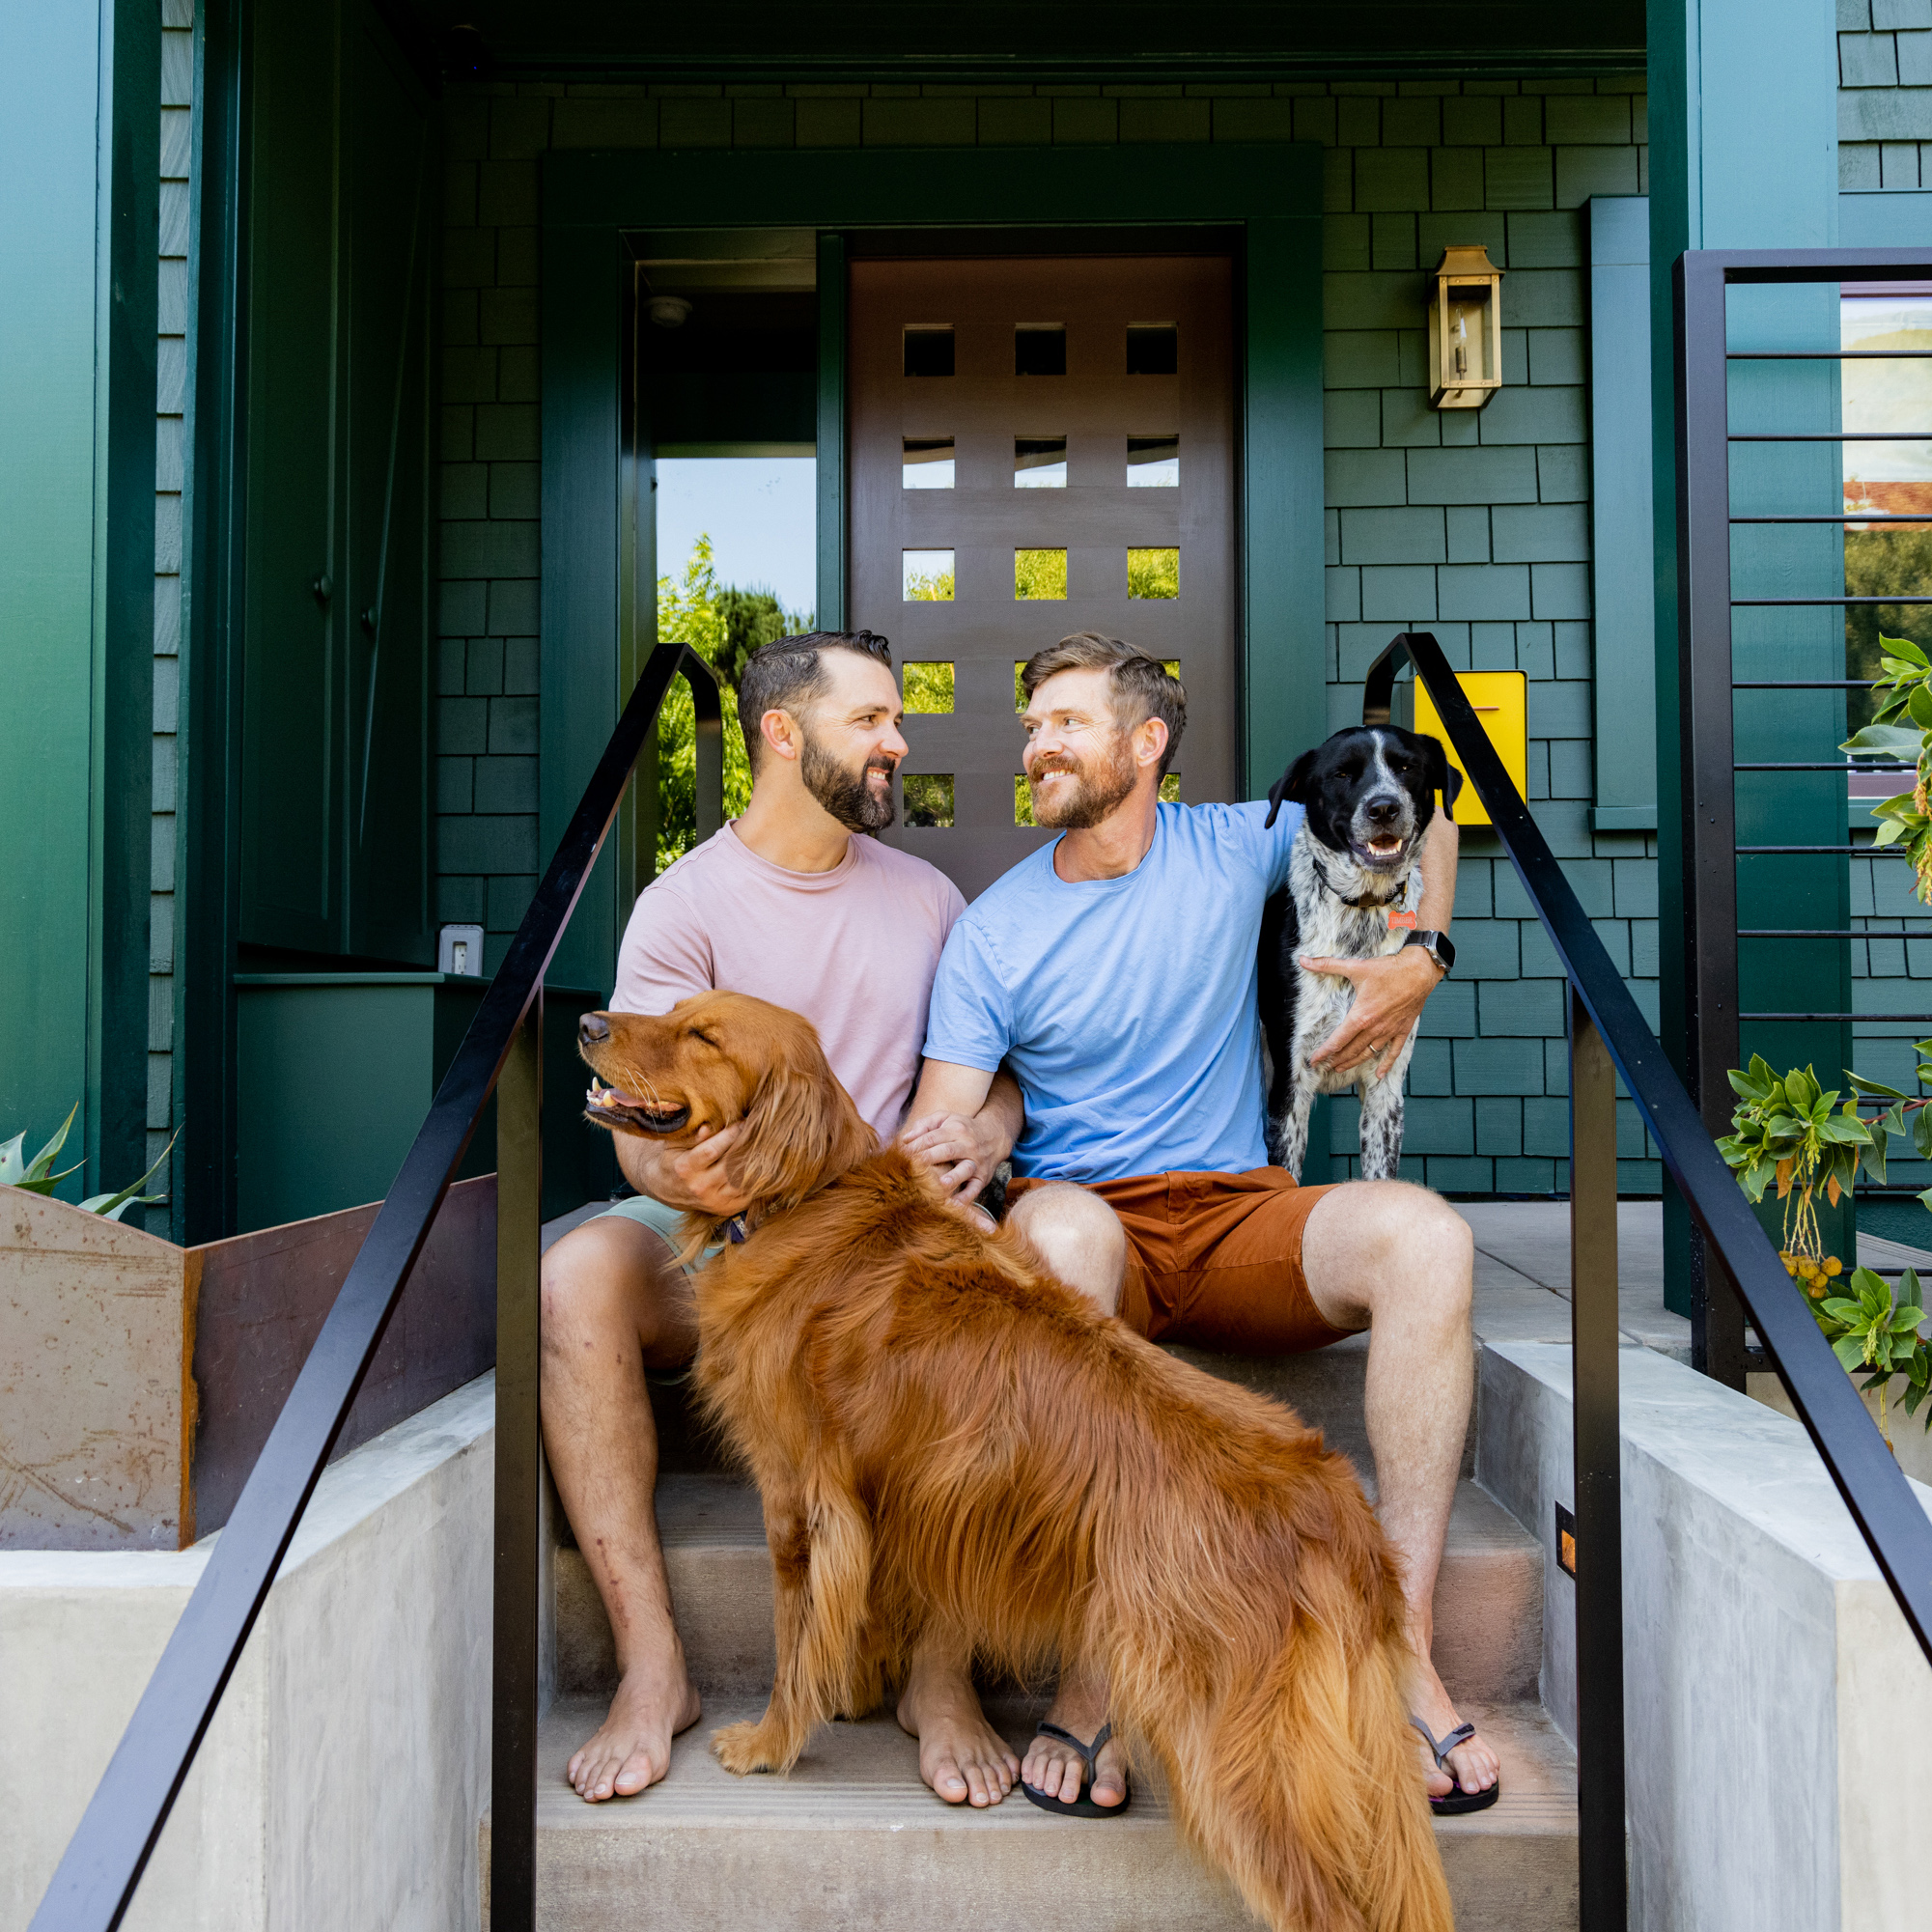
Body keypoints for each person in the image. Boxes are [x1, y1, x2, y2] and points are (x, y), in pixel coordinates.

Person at [903, 630, 1496, 1816]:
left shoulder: (1241, 843)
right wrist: (983, 1132)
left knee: (1428, 1237)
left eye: (1064, 722)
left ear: (1146, 743)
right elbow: (939, 1135)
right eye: (1033, 728)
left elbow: (1429, 814)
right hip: (1094, 1223)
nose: (1037, 746)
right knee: (1059, 1240)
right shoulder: (995, 928)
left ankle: (1403, 1643)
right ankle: (1098, 1653)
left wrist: (1425, 949)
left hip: (1235, 1213)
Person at [542, 630, 1022, 1806]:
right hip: (717, 1234)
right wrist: (681, 1182)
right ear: (782, 733)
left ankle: (941, 1674)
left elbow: (1000, 1070)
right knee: (572, 1281)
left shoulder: (928, 898)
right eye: (871, 720)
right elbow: (634, 1110)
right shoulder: (686, 902)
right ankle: (656, 1670)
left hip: (872, 1236)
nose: (897, 742)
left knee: (999, 1289)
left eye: (895, 719)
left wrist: (992, 1130)